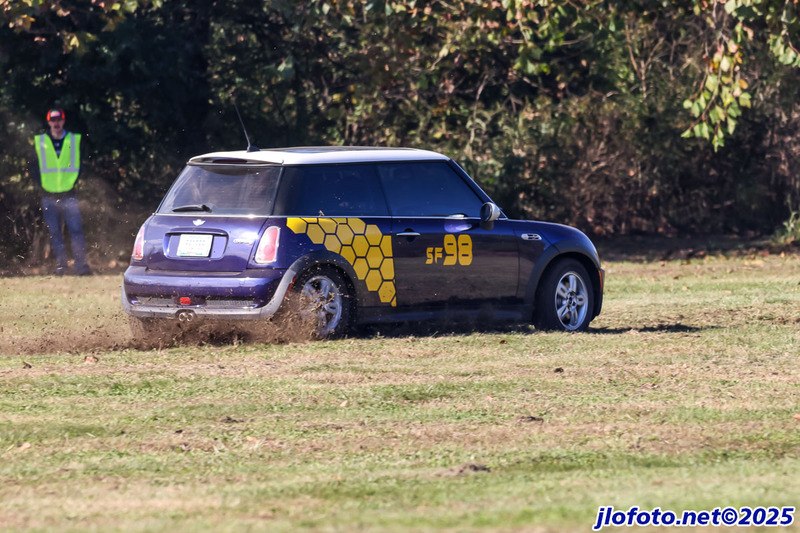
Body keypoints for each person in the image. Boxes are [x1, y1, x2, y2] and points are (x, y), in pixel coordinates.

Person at [30, 108, 91, 276]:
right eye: (53, 120)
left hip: (69, 194)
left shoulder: (74, 140)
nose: (56, 123)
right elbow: (33, 166)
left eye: (59, 119)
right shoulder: (40, 141)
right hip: (48, 195)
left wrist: (74, 181)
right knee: (55, 233)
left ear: (63, 121)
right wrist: (41, 185)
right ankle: (61, 267)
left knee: (76, 231)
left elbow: (81, 164)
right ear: (49, 122)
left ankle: (81, 268)